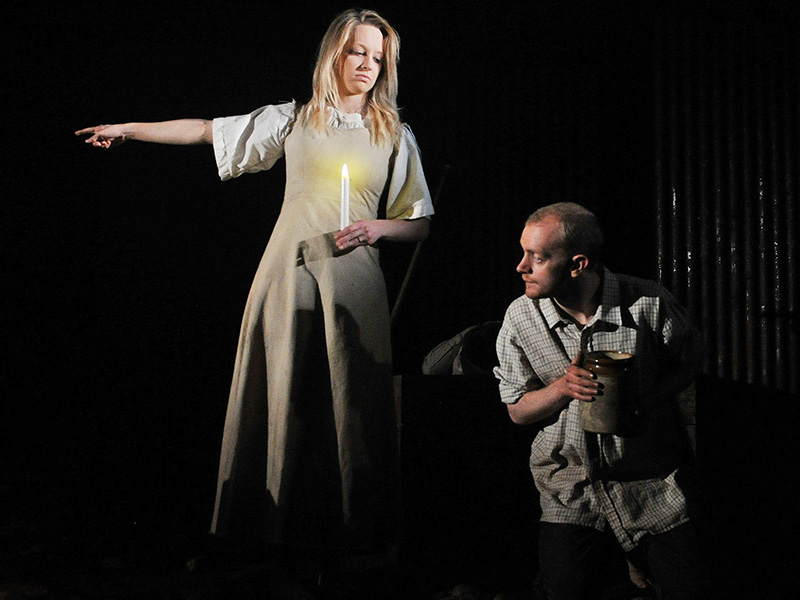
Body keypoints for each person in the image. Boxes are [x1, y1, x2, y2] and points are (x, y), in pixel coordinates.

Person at [76, 7, 434, 596]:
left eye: (378, 56)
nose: (368, 65)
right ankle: (275, 537)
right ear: (335, 54)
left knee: (350, 404)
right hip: (288, 274)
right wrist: (130, 128)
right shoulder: (293, 119)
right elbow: (206, 130)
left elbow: (418, 222)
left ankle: (351, 540)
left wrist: (376, 228)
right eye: (357, 51)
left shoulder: (393, 134)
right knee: (282, 394)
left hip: (354, 282)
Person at [493, 202, 710, 599]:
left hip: (651, 483)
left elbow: (692, 359)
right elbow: (517, 411)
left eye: (537, 257)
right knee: (564, 589)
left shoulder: (647, 301)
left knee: (689, 589)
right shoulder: (521, 318)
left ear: (577, 264)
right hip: (570, 486)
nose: (521, 266)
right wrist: (564, 387)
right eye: (523, 252)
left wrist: (648, 399)